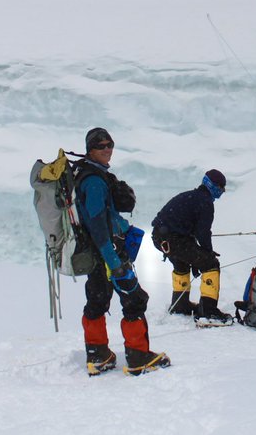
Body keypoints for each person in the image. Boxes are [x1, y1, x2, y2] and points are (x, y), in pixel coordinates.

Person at [73, 127, 169, 376]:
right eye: (100, 145)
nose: (107, 149)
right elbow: (97, 225)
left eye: (109, 144)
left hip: (96, 255)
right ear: (90, 150)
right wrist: (113, 261)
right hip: (108, 254)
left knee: (96, 300)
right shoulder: (94, 181)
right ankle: (139, 358)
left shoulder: (88, 174)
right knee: (135, 300)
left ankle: (98, 356)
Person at [151, 169, 233, 326]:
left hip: (160, 238)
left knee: (182, 264)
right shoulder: (205, 202)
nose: (222, 191)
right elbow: (203, 233)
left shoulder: (189, 196)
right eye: (221, 187)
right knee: (211, 264)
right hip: (174, 239)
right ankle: (208, 313)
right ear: (214, 186)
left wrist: (197, 256)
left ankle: (180, 305)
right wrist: (207, 254)